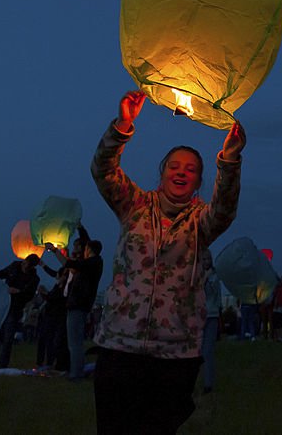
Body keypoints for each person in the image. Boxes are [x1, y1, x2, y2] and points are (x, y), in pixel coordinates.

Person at [91, 90, 244, 435]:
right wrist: (123, 125)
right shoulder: (134, 205)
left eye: (190, 169)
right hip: (120, 347)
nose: (181, 172)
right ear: (162, 173)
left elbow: (225, 207)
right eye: (174, 166)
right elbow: (102, 170)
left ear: (199, 181)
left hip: (175, 355)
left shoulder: (201, 222)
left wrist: (230, 161)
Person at [45, 235, 104, 381]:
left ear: (89, 249)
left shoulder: (92, 263)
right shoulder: (93, 263)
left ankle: (76, 374)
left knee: (74, 342)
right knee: (76, 341)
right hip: (79, 305)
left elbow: (67, 263)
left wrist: (54, 250)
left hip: (78, 305)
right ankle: (78, 370)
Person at [0, 255, 40, 370]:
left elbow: (29, 295)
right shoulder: (15, 266)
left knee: (8, 339)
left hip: (15, 308)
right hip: (1, 305)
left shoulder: (34, 278)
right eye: (24, 264)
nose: (24, 267)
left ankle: (2, 366)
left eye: (27, 266)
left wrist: (18, 292)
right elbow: (3, 273)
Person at [199, 249, 221, 394]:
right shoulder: (198, 276)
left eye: (208, 259)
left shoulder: (214, 276)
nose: (206, 262)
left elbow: (215, 295)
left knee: (207, 351)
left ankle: (208, 384)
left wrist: (207, 279)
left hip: (211, 315)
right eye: (204, 259)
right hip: (199, 316)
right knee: (198, 351)